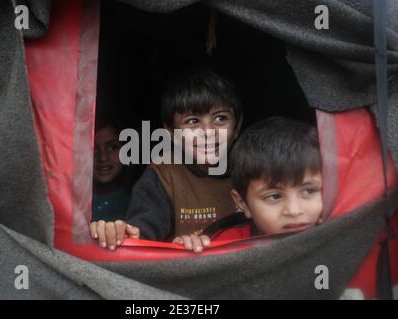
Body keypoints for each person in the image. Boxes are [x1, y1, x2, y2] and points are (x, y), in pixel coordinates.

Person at [89, 68, 243, 252]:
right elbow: (142, 231)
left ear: (237, 126)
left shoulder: (252, 166)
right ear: (172, 133)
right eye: (193, 121)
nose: (208, 132)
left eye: (220, 118)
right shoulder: (164, 172)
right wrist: (117, 232)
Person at [204, 116, 324, 241]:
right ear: (243, 203)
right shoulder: (225, 244)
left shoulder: (339, 233)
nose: (294, 210)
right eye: (274, 196)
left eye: (309, 191)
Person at [91, 117, 130, 222]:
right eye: (93, 149)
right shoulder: (71, 204)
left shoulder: (137, 205)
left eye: (112, 147)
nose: (103, 158)